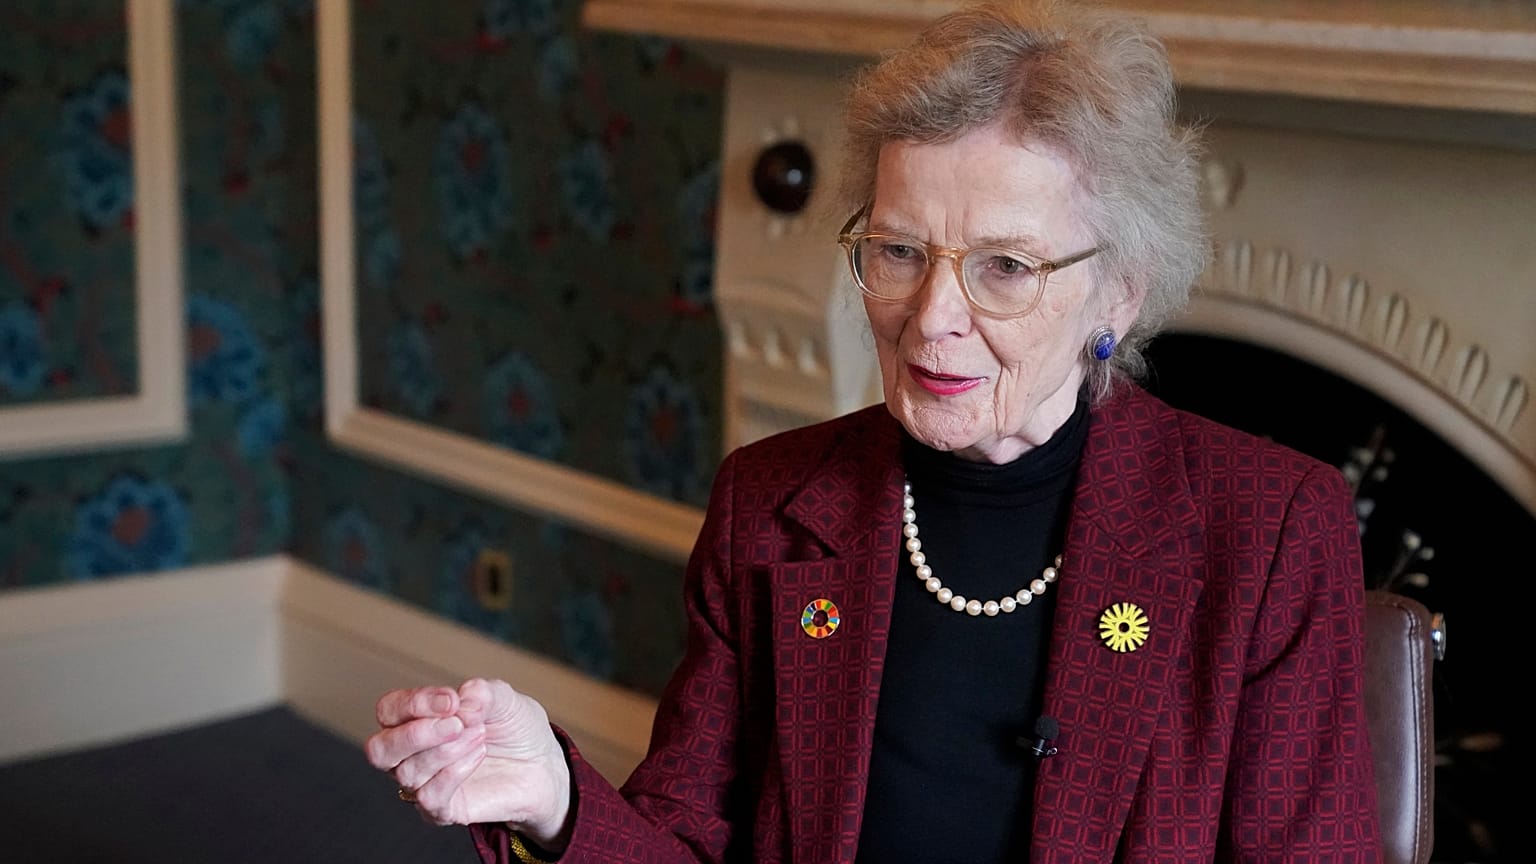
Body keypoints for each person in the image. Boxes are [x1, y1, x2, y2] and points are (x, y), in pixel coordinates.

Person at [366, 1, 1382, 861]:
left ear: (1117, 289)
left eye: (1005, 267)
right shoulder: (768, 505)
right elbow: (687, 839)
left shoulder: (1268, 530)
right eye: (899, 250)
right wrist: (558, 797)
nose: (931, 314)